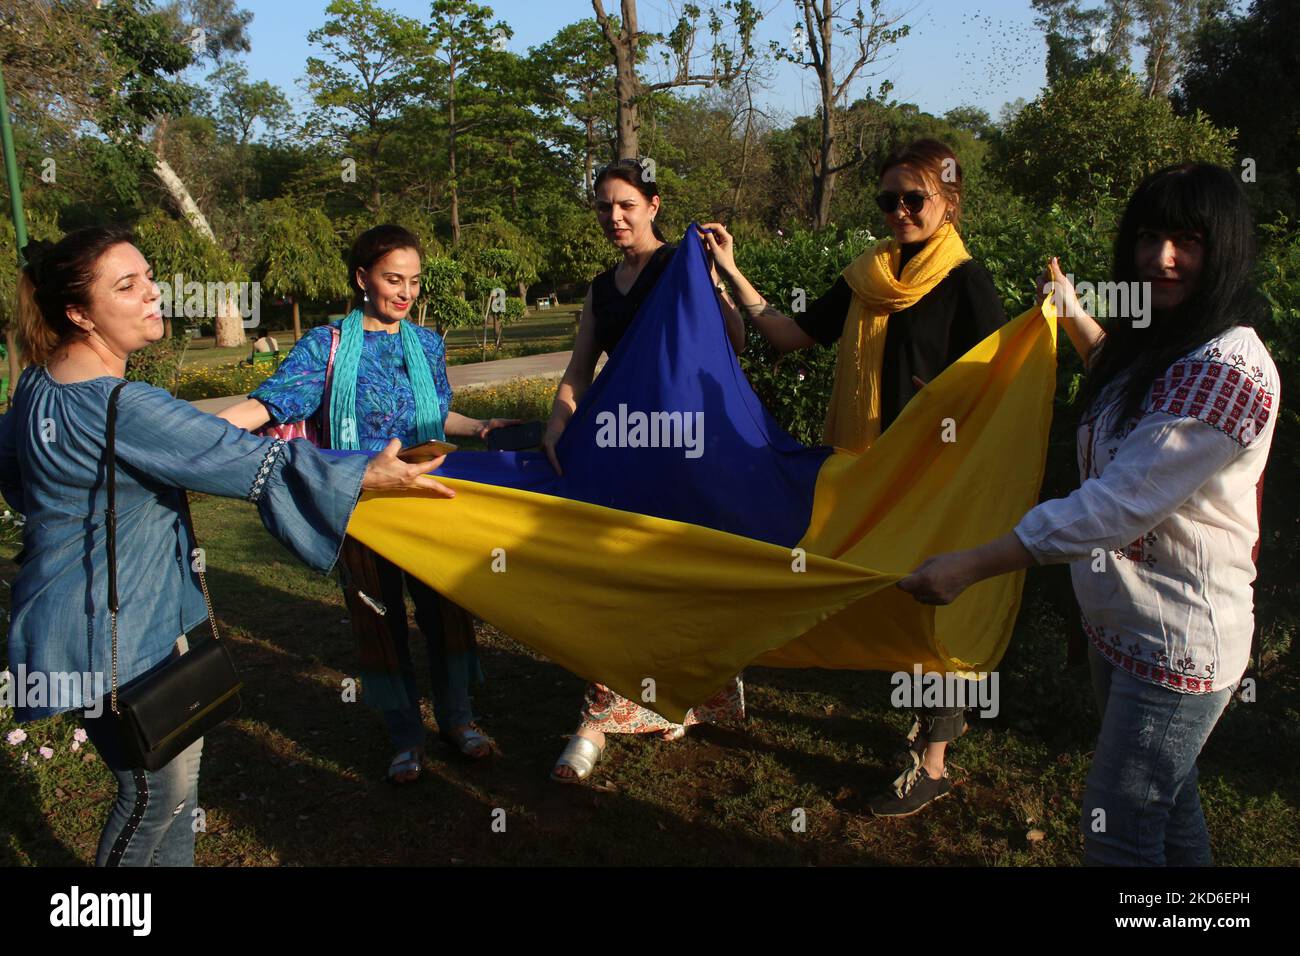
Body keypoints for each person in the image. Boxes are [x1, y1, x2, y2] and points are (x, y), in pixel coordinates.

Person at [0, 226, 449, 866]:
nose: (153, 293)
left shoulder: (37, 386)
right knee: (154, 799)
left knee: (173, 794)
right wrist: (362, 474)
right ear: (78, 312)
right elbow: (245, 460)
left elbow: (16, 475)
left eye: (148, 277)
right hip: (120, 631)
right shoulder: (121, 406)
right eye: (127, 286)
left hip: (75, 617)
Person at [898, 164, 1279, 864]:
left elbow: (1116, 506)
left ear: (1225, 249)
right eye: (1149, 237)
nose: (1162, 258)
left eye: (1188, 241)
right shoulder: (1166, 342)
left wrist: (973, 563)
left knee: (1118, 831)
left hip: (1177, 647)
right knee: (1169, 808)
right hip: (1123, 629)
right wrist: (1071, 311)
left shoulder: (1228, 371)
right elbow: (1122, 376)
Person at [696, 139, 1008, 815]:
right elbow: (791, 334)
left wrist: (949, 401)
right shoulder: (869, 274)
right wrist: (731, 271)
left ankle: (932, 763)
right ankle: (923, 738)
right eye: (888, 199)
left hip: (936, 474)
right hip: (872, 473)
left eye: (914, 198)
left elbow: (1000, 380)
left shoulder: (966, 282)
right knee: (895, 599)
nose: (899, 211)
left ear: (948, 202)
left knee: (933, 606)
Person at [219, 225, 517, 782]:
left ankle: (458, 721)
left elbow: (432, 417)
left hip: (433, 498)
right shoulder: (324, 347)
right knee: (379, 622)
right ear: (362, 278)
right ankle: (406, 737)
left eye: (413, 281)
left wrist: (478, 426)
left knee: (448, 615)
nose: (405, 293)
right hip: (362, 505)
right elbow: (269, 405)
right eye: (392, 279)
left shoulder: (427, 344)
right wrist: (193, 433)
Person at [545, 158, 747, 783]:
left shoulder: (681, 265)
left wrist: (717, 277)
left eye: (627, 204)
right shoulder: (602, 288)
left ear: (654, 206)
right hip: (622, 446)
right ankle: (598, 716)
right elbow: (581, 368)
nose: (615, 217)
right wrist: (558, 419)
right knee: (617, 574)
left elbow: (732, 342)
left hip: (684, 446)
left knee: (682, 573)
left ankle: (674, 696)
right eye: (605, 206)